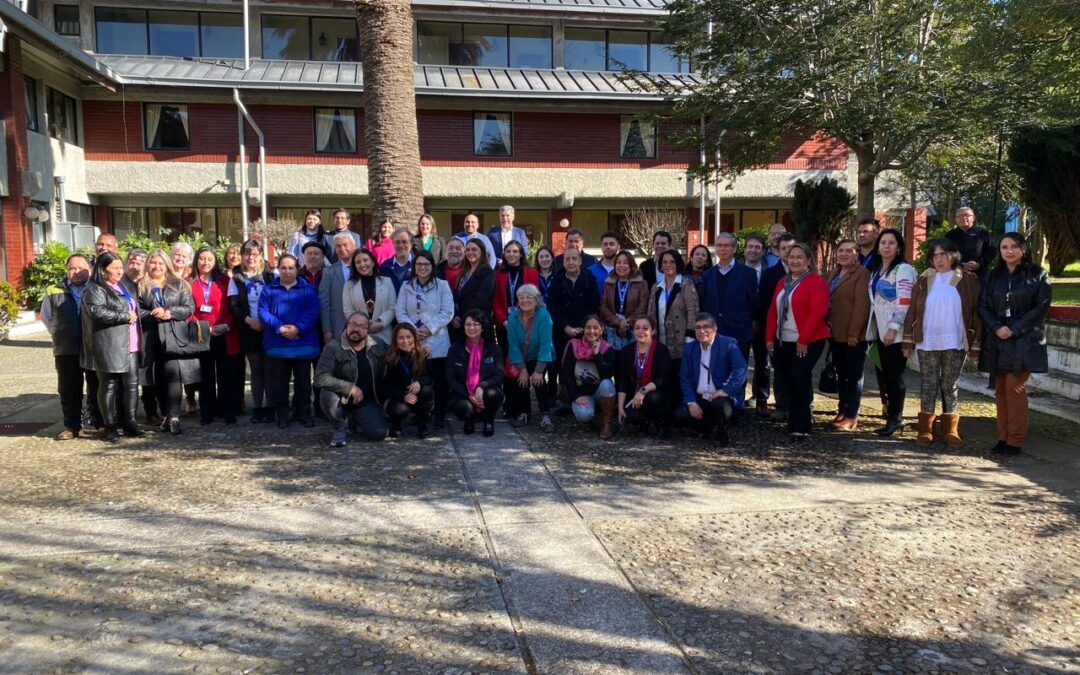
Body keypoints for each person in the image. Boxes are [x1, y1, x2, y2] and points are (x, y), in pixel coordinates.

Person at [902, 238, 983, 447]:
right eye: (935, 256)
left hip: (954, 340)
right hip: (927, 340)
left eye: (943, 255)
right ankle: (925, 429)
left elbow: (976, 313)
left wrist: (975, 344)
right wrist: (908, 342)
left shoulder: (967, 280)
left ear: (953, 256)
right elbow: (912, 311)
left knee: (950, 383)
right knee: (928, 383)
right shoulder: (924, 280)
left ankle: (951, 429)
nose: (939, 260)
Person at [978, 233, 1051, 455]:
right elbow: (983, 305)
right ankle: (1003, 436)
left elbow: (1042, 306)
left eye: (1014, 247)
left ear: (1023, 249)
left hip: (1024, 340)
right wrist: (996, 327)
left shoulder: (1038, 274)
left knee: (1015, 388)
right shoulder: (994, 276)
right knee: (1000, 389)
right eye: (1004, 247)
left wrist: (1015, 328)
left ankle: (1016, 440)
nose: (1009, 251)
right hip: (998, 339)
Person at [765, 243, 831, 437]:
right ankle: (792, 420)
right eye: (792, 257)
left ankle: (801, 425)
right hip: (783, 339)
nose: (794, 260)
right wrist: (769, 337)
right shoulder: (782, 282)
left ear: (808, 261)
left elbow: (817, 312)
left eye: (799, 257)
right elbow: (772, 310)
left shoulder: (815, 282)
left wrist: (803, 340)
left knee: (799, 377)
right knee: (786, 378)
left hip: (808, 340)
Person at [81, 252, 143, 442]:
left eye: (119, 267)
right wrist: (123, 316)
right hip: (109, 344)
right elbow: (96, 312)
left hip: (130, 342)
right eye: (114, 268)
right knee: (108, 386)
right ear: (102, 269)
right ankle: (110, 426)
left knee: (131, 386)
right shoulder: (95, 289)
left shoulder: (123, 285)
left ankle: (130, 422)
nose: (119, 271)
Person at [138, 249, 199, 435]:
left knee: (173, 375)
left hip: (173, 334)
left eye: (160, 263)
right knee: (156, 377)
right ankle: (164, 413)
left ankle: (174, 415)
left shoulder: (179, 284)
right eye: (153, 263)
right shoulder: (141, 285)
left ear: (167, 265)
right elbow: (136, 310)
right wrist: (151, 314)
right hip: (150, 336)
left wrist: (170, 313)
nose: (156, 266)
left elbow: (189, 308)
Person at [258, 254, 321, 429]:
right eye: (283, 268)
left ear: (297, 269)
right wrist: (280, 328)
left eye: (291, 268)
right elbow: (263, 312)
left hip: (303, 342)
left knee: (303, 382)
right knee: (280, 382)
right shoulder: (269, 289)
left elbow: (314, 311)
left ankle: (304, 413)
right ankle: (283, 415)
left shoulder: (307, 288)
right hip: (278, 344)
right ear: (278, 268)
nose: (287, 271)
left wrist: (297, 328)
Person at [42, 253, 99, 439]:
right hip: (66, 347)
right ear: (66, 271)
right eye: (72, 268)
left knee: (97, 386)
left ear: (89, 269)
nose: (76, 271)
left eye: (81, 267)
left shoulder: (97, 288)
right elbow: (47, 318)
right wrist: (60, 334)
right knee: (68, 388)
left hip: (93, 346)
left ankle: (99, 423)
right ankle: (72, 426)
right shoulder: (53, 290)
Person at [866, 228, 917, 437]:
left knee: (895, 377)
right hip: (880, 331)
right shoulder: (878, 270)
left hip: (895, 333)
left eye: (891, 243)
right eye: (883, 242)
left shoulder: (903, 270)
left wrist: (893, 329)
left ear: (898, 247)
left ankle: (896, 418)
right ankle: (890, 415)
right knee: (885, 375)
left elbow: (905, 301)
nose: (886, 246)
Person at [396, 249, 455, 429]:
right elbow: (400, 311)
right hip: (413, 341)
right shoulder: (406, 286)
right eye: (419, 264)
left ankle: (439, 415)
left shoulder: (442, 285)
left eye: (426, 264)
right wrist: (413, 331)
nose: (422, 267)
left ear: (432, 266)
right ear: (414, 266)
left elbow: (448, 311)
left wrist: (430, 328)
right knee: (419, 380)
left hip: (437, 340)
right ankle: (421, 414)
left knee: (440, 381)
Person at [314, 312, 389, 447]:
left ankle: (354, 419)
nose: (356, 329)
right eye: (353, 324)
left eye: (361, 326)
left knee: (380, 434)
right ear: (346, 325)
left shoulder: (377, 344)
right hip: (340, 399)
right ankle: (338, 427)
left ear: (367, 330)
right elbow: (320, 377)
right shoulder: (332, 347)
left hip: (366, 400)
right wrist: (349, 388)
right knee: (327, 394)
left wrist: (418, 348)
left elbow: (397, 355)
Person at [675, 313, 748, 449]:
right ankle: (707, 428)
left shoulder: (728, 344)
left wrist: (727, 390)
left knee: (720, 406)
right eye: (698, 328)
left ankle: (721, 433)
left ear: (715, 329)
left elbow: (741, 369)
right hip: (700, 397)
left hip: (720, 396)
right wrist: (691, 402)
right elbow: (684, 376)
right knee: (680, 415)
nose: (701, 331)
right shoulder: (689, 349)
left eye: (706, 327)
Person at [190, 246, 241, 425]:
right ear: (196, 260)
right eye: (202, 258)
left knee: (226, 374)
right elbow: (188, 310)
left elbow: (233, 305)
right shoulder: (189, 283)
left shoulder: (224, 280)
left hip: (224, 332)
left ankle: (228, 411)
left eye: (209, 259)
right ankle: (207, 412)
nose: (206, 262)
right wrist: (203, 327)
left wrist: (227, 324)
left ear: (215, 262)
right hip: (201, 334)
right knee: (206, 375)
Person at [827, 239, 872, 431]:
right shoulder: (834, 273)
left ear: (856, 254)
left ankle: (852, 414)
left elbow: (862, 306)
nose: (844, 254)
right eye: (841, 251)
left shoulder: (862, 274)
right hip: (835, 333)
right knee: (841, 375)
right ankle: (842, 409)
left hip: (852, 335)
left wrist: (854, 333)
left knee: (853, 376)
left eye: (848, 251)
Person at [229, 239, 276, 423]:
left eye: (254, 253)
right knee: (256, 370)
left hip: (269, 328)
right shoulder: (237, 278)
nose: (251, 257)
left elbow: (276, 300)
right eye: (247, 254)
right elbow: (234, 306)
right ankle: (258, 407)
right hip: (248, 328)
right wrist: (249, 320)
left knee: (269, 369)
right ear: (242, 256)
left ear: (260, 255)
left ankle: (271, 406)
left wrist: (265, 322)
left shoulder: (271, 275)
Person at [547, 247, 600, 407]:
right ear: (563, 262)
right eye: (567, 259)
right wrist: (565, 327)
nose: (571, 262)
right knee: (563, 365)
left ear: (580, 261)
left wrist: (585, 326)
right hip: (562, 331)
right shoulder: (557, 279)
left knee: (585, 364)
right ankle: (564, 398)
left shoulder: (589, 278)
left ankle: (586, 397)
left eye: (574, 259)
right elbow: (553, 307)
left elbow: (594, 304)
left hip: (585, 330)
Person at [505, 284, 556, 432]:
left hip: (541, 356)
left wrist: (539, 370)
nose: (524, 300)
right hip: (521, 357)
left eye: (529, 297)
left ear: (536, 300)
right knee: (521, 381)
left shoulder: (544, 316)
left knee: (539, 382)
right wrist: (522, 369)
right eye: (521, 297)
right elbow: (513, 346)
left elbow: (546, 345)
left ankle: (545, 416)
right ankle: (524, 413)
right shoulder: (513, 318)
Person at [647, 249, 698, 397]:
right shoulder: (656, 287)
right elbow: (650, 312)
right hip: (660, 339)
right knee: (663, 375)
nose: (668, 265)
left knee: (679, 377)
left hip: (681, 340)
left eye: (672, 261)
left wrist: (690, 338)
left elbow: (693, 311)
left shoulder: (686, 284)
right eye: (665, 262)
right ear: (660, 265)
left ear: (678, 264)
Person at [757, 233, 797, 419]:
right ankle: (782, 406)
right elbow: (765, 306)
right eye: (783, 249)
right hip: (778, 332)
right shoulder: (770, 274)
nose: (788, 252)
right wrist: (769, 335)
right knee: (779, 370)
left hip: (800, 332)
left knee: (800, 372)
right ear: (777, 251)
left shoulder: (808, 275)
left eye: (791, 248)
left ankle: (801, 406)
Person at [446, 309, 504, 437]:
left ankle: (489, 420)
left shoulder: (494, 349)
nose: (471, 327)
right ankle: (469, 419)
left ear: (483, 327)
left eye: (476, 324)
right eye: (468, 324)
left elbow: (499, 376)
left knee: (493, 394)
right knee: (462, 407)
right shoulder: (455, 349)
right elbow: (451, 379)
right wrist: (468, 395)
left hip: (487, 391)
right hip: (464, 393)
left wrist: (481, 387)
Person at [560, 314, 617, 439]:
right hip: (581, 394)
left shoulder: (607, 348)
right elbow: (567, 374)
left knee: (607, 384)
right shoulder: (573, 345)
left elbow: (607, 375)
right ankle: (588, 419)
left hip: (599, 392)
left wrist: (597, 355)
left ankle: (607, 423)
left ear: (601, 330)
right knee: (584, 415)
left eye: (595, 328)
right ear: (583, 330)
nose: (592, 331)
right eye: (588, 328)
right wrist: (576, 396)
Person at [702, 232, 758, 357]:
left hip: (739, 333)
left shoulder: (748, 273)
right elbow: (705, 302)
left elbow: (753, 302)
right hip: (713, 332)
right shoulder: (707, 275)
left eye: (726, 245)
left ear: (734, 248)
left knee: (738, 373)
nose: (722, 248)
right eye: (719, 245)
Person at [617, 317, 672, 439]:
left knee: (654, 398)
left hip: (655, 393)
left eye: (645, 328)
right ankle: (645, 423)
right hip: (634, 397)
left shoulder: (661, 350)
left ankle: (661, 425)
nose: (640, 331)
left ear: (652, 331)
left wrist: (643, 391)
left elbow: (662, 378)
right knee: (630, 417)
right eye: (637, 328)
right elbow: (622, 380)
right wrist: (620, 407)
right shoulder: (627, 351)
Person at [379, 323, 435, 438]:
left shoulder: (422, 354)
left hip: (416, 396)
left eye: (409, 337)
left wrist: (419, 382)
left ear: (414, 337)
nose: (405, 341)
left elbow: (430, 377)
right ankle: (396, 425)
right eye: (401, 337)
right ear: (395, 340)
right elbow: (384, 387)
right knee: (400, 409)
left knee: (427, 391)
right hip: (397, 398)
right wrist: (402, 396)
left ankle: (422, 424)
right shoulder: (389, 359)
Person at [343, 248, 397, 347]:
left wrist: (380, 323)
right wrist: (363, 326)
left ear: (372, 262)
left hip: (384, 336)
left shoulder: (387, 282)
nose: (362, 264)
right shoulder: (348, 286)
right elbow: (348, 310)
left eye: (365, 260)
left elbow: (392, 308)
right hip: (359, 337)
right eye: (358, 262)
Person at [493, 241, 538, 354]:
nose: (511, 254)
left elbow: (534, 298)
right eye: (508, 251)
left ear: (521, 254)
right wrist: (504, 321)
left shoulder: (532, 273)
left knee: (525, 358)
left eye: (515, 251)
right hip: (505, 325)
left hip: (526, 323)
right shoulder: (498, 275)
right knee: (507, 358)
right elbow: (495, 299)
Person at [598, 250, 649, 350]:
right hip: (612, 331)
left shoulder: (641, 283)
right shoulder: (608, 283)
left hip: (634, 331)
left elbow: (643, 307)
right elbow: (603, 307)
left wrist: (627, 322)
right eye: (618, 262)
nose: (621, 265)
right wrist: (618, 322)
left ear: (631, 265)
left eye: (625, 262)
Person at [320, 232, 357, 344]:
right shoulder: (328, 272)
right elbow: (324, 303)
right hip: (338, 327)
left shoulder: (363, 268)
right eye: (338, 246)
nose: (342, 248)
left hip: (362, 326)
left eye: (345, 245)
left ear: (353, 246)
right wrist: (327, 330)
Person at [453, 239, 496, 330]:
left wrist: (462, 316)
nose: (470, 252)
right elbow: (457, 295)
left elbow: (481, 299)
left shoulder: (487, 272)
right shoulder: (464, 272)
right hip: (461, 321)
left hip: (477, 321)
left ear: (482, 252)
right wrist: (455, 315)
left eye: (474, 249)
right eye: (467, 250)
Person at [945, 207, 994, 281]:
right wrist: (959, 264)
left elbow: (991, 250)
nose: (963, 218)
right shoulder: (950, 235)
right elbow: (945, 253)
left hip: (980, 274)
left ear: (973, 218)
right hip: (956, 273)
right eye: (959, 216)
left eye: (966, 215)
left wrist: (979, 264)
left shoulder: (983, 233)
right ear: (956, 220)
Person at [380, 228, 414, 292]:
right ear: (393, 244)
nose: (401, 245)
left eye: (404, 242)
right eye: (397, 242)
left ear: (411, 244)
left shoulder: (418, 265)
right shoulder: (384, 267)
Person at [686, 244, 713, 308]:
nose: (700, 257)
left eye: (703, 255)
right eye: (697, 254)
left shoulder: (711, 278)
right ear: (691, 258)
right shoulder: (682, 277)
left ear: (706, 261)